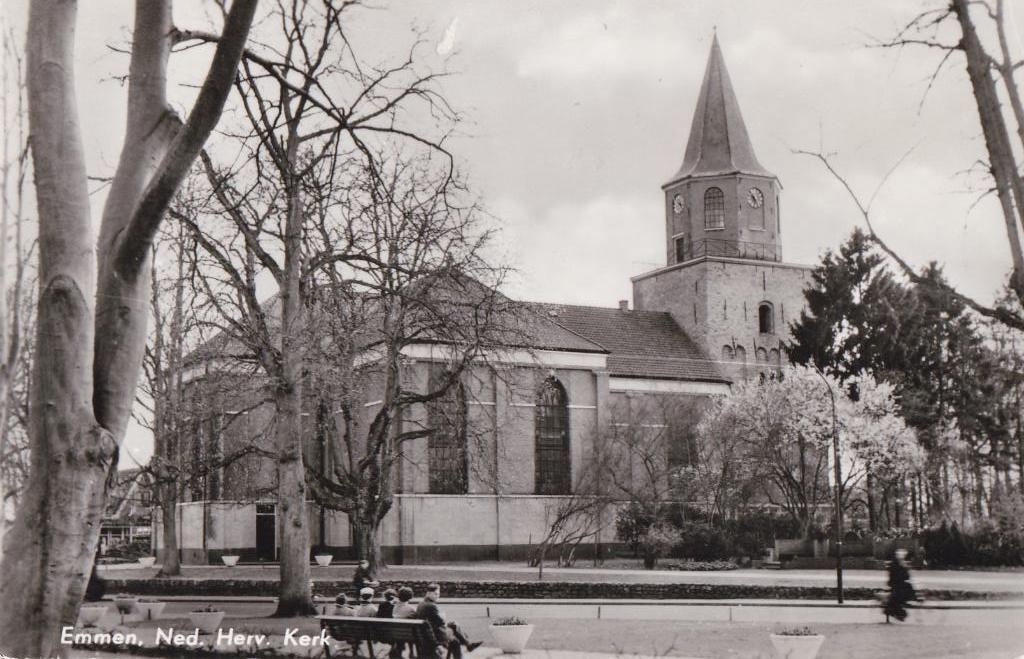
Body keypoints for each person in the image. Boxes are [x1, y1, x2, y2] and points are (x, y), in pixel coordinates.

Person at [414, 583, 482, 658]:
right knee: (455, 639)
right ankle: (468, 645)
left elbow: (434, 621)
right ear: (428, 594)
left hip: (425, 633)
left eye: (438, 594)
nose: (437, 596)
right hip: (434, 635)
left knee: (453, 625)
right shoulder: (431, 606)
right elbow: (441, 622)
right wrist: (443, 616)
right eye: (435, 594)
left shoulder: (421, 603)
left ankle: (468, 644)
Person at [883, 548, 918, 622]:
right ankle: (897, 612)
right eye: (902, 556)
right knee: (902, 593)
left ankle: (897, 611)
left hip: (899, 584)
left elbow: (905, 574)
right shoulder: (896, 564)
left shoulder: (899, 563)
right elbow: (898, 575)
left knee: (906, 590)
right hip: (897, 584)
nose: (903, 557)